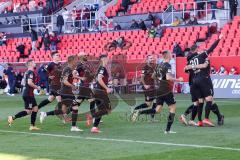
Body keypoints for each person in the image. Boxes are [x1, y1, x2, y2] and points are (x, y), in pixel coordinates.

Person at [132, 51, 183, 134]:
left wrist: (159, 81)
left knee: (157, 110)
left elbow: (153, 76)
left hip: (159, 89)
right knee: (172, 108)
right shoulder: (167, 65)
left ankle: (139, 112)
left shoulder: (159, 65)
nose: (171, 56)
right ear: (168, 56)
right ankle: (167, 130)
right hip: (165, 90)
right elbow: (168, 77)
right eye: (170, 54)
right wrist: (178, 80)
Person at [184, 34, 224, 127]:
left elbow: (185, 70)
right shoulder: (203, 56)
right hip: (204, 79)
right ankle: (207, 118)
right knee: (210, 99)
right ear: (197, 50)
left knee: (201, 101)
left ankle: (200, 121)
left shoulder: (191, 60)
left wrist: (189, 67)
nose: (201, 50)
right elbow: (211, 49)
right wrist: (219, 39)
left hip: (194, 81)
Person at [8, 59, 41, 131]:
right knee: (28, 111)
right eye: (33, 62)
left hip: (28, 93)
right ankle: (12, 117)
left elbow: (23, 83)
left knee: (35, 108)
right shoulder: (30, 72)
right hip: (28, 94)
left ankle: (32, 126)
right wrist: (37, 87)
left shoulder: (26, 72)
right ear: (30, 64)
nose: (35, 63)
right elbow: (29, 82)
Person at [131, 55, 157, 122]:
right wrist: (145, 85)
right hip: (147, 88)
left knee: (155, 101)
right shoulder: (145, 68)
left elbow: (152, 77)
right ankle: (136, 110)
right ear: (147, 59)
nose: (152, 59)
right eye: (150, 58)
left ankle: (152, 118)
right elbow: (142, 77)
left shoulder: (153, 67)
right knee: (148, 104)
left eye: (152, 58)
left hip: (152, 87)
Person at [91, 54, 112, 133]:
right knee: (107, 110)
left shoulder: (100, 68)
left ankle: (94, 127)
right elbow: (99, 79)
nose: (108, 60)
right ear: (103, 59)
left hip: (97, 91)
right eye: (107, 58)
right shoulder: (102, 68)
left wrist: (107, 82)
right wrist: (107, 88)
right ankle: (92, 117)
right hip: (100, 91)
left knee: (102, 109)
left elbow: (98, 79)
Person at [39, 52, 63, 122]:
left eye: (59, 55)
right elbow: (42, 72)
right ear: (53, 57)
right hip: (54, 85)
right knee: (60, 102)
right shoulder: (50, 64)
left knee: (50, 99)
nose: (58, 56)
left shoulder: (60, 64)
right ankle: (61, 116)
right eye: (57, 55)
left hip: (59, 85)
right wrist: (48, 77)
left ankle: (38, 108)